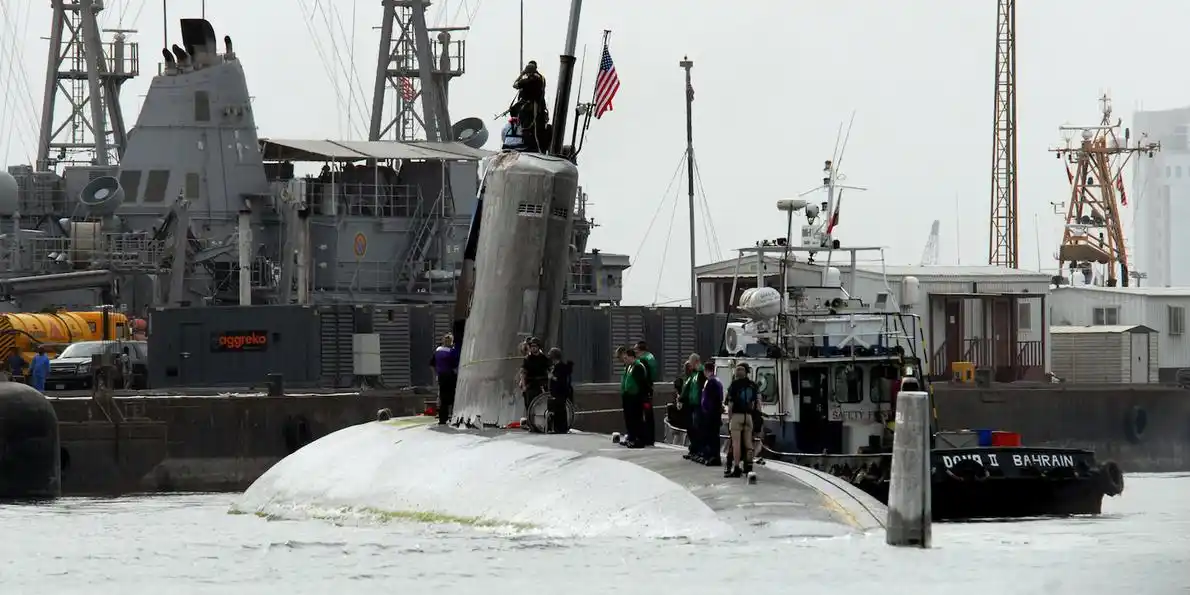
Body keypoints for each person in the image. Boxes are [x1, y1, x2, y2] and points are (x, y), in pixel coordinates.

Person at [725, 363, 759, 478]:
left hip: (737, 416)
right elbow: (756, 404)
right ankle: (749, 467)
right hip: (748, 417)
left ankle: (736, 468)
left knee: (736, 443)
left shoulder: (734, 385)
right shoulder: (752, 385)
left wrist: (730, 419)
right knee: (748, 443)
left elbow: (730, 405)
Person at [616, 346, 651, 448]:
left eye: (626, 358)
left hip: (636, 397)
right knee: (630, 419)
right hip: (629, 396)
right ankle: (631, 437)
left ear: (632, 357)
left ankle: (639, 439)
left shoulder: (638, 366)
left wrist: (643, 396)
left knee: (637, 419)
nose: (624, 360)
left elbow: (642, 383)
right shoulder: (630, 366)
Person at [511, 61, 549, 152]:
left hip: (529, 108)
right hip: (538, 107)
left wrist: (521, 75)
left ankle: (527, 144)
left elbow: (515, 85)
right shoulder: (540, 79)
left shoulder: (527, 81)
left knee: (527, 126)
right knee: (535, 128)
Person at [696, 361, 725, 466]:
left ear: (706, 370)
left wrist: (708, 410)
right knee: (713, 435)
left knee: (711, 435)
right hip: (714, 413)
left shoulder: (711, 382)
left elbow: (710, 399)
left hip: (711, 414)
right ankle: (713, 455)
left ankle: (713, 456)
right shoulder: (717, 381)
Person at [429, 334, 460, 425]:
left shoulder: (437, 351)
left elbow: (432, 364)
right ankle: (454, 418)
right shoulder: (452, 352)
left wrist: (436, 374)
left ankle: (443, 419)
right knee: (453, 396)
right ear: (451, 342)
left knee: (443, 397)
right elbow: (456, 365)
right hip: (450, 376)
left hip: (441, 376)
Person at [679, 355, 705, 460]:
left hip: (698, 405)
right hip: (692, 404)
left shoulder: (701, 373)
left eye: (691, 362)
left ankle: (699, 450)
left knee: (697, 428)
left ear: (696, 362)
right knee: (692, 428)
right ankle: (694, 449)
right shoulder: (693, 374)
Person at [633, 341, 658, 446]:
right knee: (648, 414)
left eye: (635, 350)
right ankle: (650, 437)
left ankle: (646, 437)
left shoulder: (643, 360)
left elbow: (645, 376)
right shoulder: (650, 357)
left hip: (644, 390)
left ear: (640, 350)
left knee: (645, 414)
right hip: (648, 389)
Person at [520, 337, 551, 414]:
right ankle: (530, 418)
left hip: (542, 382)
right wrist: (524, 386)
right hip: (531, 383)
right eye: (532, 346)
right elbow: (523, 373)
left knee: (546, 401)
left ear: (538, 347)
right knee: (529, 402)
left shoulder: (544, 358)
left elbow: (550, 370)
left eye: (535, 346)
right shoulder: (527, 359)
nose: (533, 348)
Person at [546, 347, 574, 433]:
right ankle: (556, 428)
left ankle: (561, 428)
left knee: (560, 410)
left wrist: (552, 377)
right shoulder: (555, 367)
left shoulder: (561, 367)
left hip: (561, 392)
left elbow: (561, 380)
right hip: (555, 392)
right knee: (556, 410)